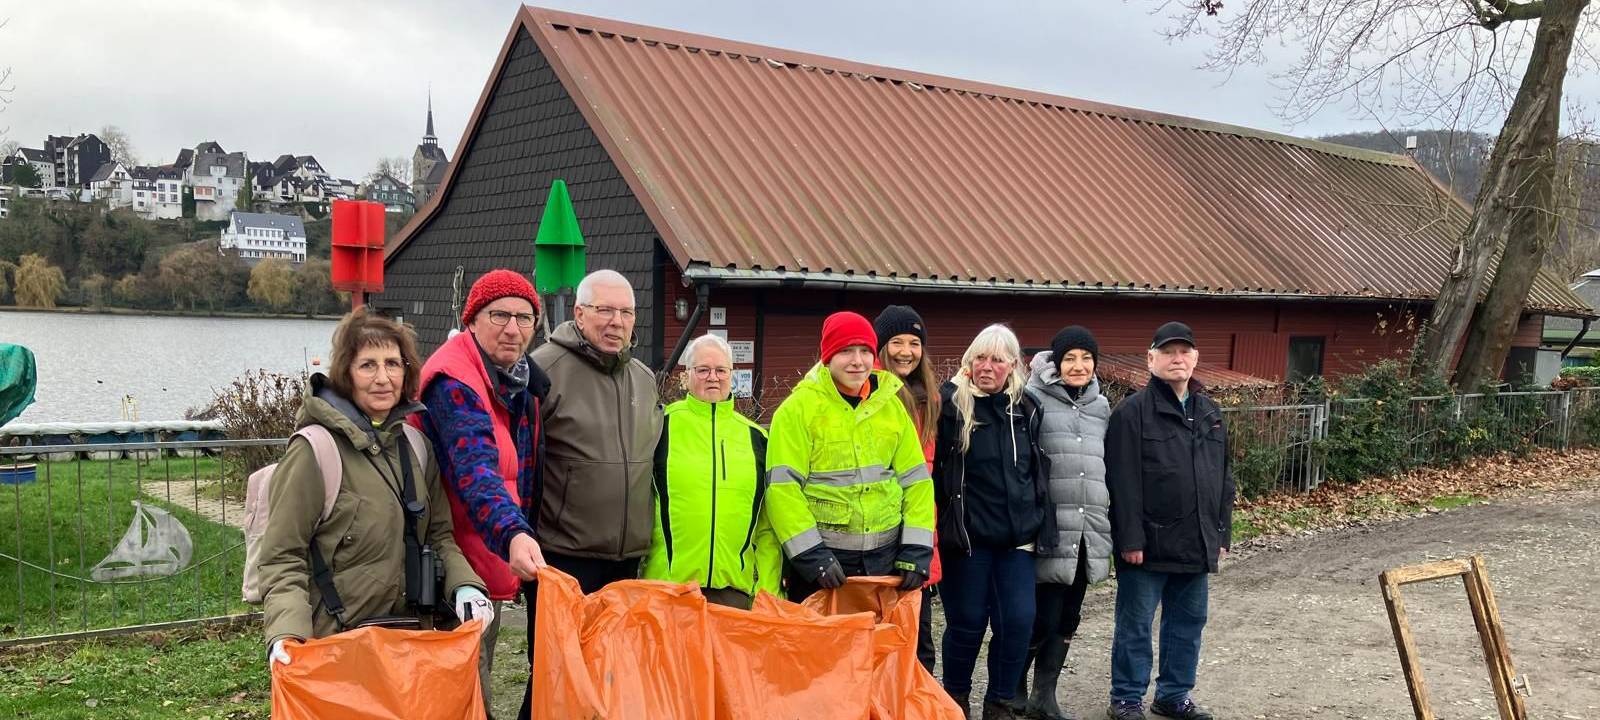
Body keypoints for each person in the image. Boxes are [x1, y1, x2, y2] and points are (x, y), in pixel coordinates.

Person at [260, 308, 489, 668]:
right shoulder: (314, 451)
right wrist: (287, 633)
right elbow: (282, 556)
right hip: (336, 650)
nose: (383, 378)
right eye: (368, 365)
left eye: (393, 364)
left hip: (410, 646)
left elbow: (440, 535)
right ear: (346, 373)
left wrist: (465, 585)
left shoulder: (416, 446)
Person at [522, 269, 661, 719]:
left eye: (626, 312)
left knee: (611, 672)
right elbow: (521, 462)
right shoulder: (544, 370)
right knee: (556, 675)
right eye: (605, 310)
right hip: (565, 556)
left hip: (625, 560)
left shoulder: (643, 378)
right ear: (579, 314)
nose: (616, 322)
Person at [416, 268, 550, 708]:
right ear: (472, 319)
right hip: (447, 568)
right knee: (464, 697)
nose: (513, 328)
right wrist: (513, 533)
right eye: (499, 315)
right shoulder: (455, 382)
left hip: (483, 557)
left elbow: (521, 471)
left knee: (477, 682)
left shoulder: (514, 381)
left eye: (524, 318)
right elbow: (477, 473)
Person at [1104, 322, 1234, 720]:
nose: (1177, 359)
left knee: (1188, 623)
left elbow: (1224, 477)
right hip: (1147, 545)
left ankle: (1173, 695)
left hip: (1196, 541)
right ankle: (1126, 698)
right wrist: (1130, 540)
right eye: (1168, 352)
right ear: (1151, 359)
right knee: (1136, 625)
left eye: (1184, 352)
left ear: (1195, 359)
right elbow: (1122, 482)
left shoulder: (1209, 412)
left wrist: (1221, 532)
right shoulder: (1132, 413)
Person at [765, 310, 935, 603]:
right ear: (828, 357)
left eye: (865, 351)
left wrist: (915, 550)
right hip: (824, 566)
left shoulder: (891, 407)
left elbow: (917, 483)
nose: (857, 361)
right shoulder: (797, 410)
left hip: (885, 560)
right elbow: (783, 490)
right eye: (846, 351)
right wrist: (811, 555)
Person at [933, 324, 1048, 720]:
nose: (987, 367)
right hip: (967, 539)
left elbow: (1036, 467)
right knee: (966, 623)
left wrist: (1037, 516)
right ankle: (955, 701)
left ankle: (1000, 703)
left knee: (1018, 621)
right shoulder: (950, 406)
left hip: (1016, 540)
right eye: (980, 358)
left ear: (1013, 365)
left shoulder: (1027, 409)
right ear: (969, 361)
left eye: (997, 360)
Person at [641, 333, 782, 608]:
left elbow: (767, 526)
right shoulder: (659, 428)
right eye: (703, 370)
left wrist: (768, 594)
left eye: (721, 370)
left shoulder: (757, 439)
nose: (713, 378)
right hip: (668, 591)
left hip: (734, 593)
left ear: (732, 374)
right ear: (686, 376)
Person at [1015, 326, 1112, 720]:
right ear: (1056, 363)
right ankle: (1014, 688)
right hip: (1050, 529)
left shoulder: (1101, 407)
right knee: (1041, 616)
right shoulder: (1032, 399)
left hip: (1089, 530)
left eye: (1086, 358)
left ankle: (1045, 696)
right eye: (1070, 358)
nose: (1079, 366)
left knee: (1069, 617)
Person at [874, 304, 944, 673]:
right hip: (879, 532)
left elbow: (926, 480)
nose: (906, 351)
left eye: (914, 343)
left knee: (919, 640)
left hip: (918, 529)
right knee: (881, 637)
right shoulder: (872, 394)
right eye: (897, 342)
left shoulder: (930, 398)